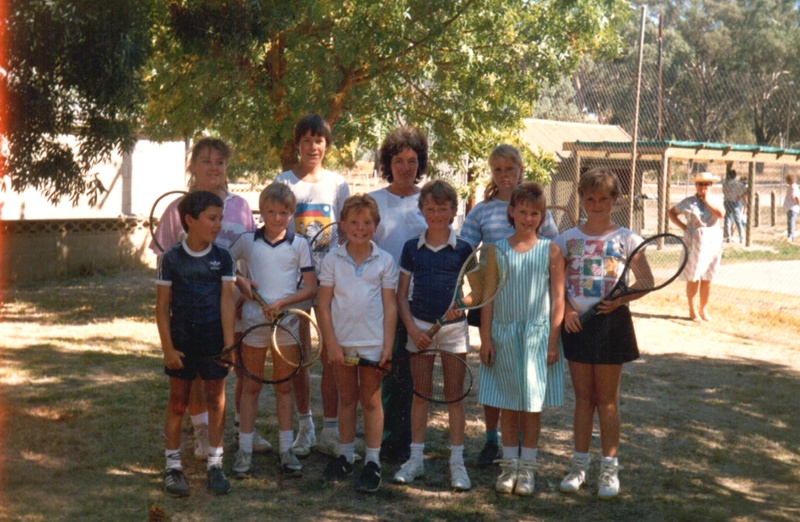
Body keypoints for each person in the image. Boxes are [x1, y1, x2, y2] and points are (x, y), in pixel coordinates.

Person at [149, 138, 269, 461]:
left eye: (220, 162)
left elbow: (244, 253)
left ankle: (244, 427)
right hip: (193, 312)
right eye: (206, 161)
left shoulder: (241, 207)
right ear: (193, 166)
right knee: (199, 376)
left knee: (235, 368)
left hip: (235, 304)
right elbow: (167, 261)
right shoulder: (178, 210)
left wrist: (241, 281)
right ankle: (201, 432)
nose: (213, 167)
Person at [459, 144, 560, 468]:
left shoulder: (536, 207)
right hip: (492, 299)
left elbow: (554, 251)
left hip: (529, 304)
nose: (504, 176)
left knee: (526, 385)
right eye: (498, 170)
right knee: (496, 374)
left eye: (510, 169)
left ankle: (521, 456)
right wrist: (471, 291)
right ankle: (493, 440)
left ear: (520, 170)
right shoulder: (482, 210)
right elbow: (464, 249)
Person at [556, 168, 647, 500]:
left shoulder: (627, 238)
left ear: (616, 200)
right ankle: (578, 467)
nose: (596, 205)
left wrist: (621, 299)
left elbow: (646, 282)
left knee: (607, 401)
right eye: (589, 198)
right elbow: (558, 285)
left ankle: (609, 470)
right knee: (583, 399)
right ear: (581, 198)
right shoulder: (565, 239)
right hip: (577, 324)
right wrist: (567, 310)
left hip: (613, 326)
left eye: (603, 199)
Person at [478, 182, 565, 496]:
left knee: (530, 407)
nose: (528, 218)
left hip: (536, 339)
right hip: (503, 335)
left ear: (541, 217)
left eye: (535, 214)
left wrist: (553, 341)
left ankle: (527, 469)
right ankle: (509, 465)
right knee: (508, 405)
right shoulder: (496, 250)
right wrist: (486, 338)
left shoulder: (551, 250)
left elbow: (558, 299)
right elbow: (487, 298)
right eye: (523, 212)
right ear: (511, 212)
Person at [228, 183, 317, 478]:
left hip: (287, 324)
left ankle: (285, 449)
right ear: (261, 211)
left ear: (291, 213)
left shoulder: (300, 244)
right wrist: (241, 281)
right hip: (255, 322)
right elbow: (224, 265)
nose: (277, 218)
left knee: (284, 387)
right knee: (251, 385)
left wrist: (284, 303)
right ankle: (244, 450)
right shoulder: (247, 241)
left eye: (283, 212)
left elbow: (310, 287)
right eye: (270, 212)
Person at [275, 114, 351, 458]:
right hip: (294, 284)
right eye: (306, 140)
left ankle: (331, 429)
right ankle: (305, 426)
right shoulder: (284, 182)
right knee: (300, 357)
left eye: (319, 140)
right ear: (297, 144)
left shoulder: (338, 184)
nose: (313, 147)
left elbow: (346, 233)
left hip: (330, 285)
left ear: (326, 145)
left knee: (332, 355)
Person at [393, 180, 474, 491]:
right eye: (430, 209)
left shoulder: (464, 248)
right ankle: (415, 460)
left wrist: (460, 306)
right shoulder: (411, 248)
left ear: (454, 211)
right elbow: (401, 295)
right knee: (421, 395)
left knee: (454, 396)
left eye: (443, 209)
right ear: (421, 211)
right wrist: (413, 329)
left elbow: (476, 292)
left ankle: (457, 463)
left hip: (453, 331)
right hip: (420, 327)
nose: (437, 214)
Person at [155, 191, 236, 497]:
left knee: (216, 401)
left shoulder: (223, 257)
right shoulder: (171, 258)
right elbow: (162, 307)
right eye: (211, 219)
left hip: (214, 341)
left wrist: (229, 344)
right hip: (181, 344)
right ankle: (172, 466)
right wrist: (167, 347)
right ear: (190, 220)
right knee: (178, 403)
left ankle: (215, 464)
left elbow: (227, 303)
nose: (218, 224)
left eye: (220, 218)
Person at [318, 194, 399, 492]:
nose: (360, 228)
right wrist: (332, 345)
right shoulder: (332, 260)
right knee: (347, 399)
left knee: (371, 401)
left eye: (366, 223)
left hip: (373, 345)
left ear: (375, 226)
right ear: (343, 225)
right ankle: (345, 455)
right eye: (354, 222)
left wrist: (387, 346)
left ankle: (373, 461)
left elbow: (390, 308)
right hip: (341, 345)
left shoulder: (385, 261)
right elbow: (324, 306)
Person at [369, 127, 428, 462]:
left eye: (412, 160)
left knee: (413, 374)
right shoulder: (375, 201)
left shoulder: (429, 201)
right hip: (383, 300)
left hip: (420, 301)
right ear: (387, 163)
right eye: (399, 160)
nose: (406, 167)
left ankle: (410, 441)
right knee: (387, 370)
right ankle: (387, 439)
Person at [668, 172, 724, 322]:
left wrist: (706, 201)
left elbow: (720, 214)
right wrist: (683, 226)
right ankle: (692, 310)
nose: (703, 187)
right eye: (700, 184)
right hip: (694, 242)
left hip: (712, 241)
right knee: (693, 277)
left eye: (706, 184)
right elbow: (672, 213)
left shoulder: (716, 200)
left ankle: (703, 309)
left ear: (710, 185)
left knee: (708, 277)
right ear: (695, 185)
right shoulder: (688, 202)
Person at [722, 169, 746, 243]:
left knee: (727, 219)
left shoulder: (725, 183)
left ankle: (728, 237)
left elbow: (723, 191)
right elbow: (745, 191)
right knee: (738, 219)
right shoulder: (739, 184)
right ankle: (741, 237)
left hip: (727, 201)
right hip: (735, 201)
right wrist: (740, 195)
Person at [783, 174, 800, 242]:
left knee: (791, 222)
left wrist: (799, 204)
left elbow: (795, 197)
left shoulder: (793, 188)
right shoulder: (793, 187)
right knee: (790, 222)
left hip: (792, 208)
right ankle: (790, 235)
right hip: (790, 207)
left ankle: (790, 236)